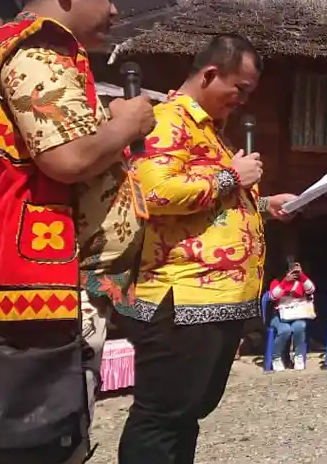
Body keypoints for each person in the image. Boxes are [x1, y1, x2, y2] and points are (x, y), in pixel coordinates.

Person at [0, 0, 154, 464]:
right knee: (37, 438)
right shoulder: (36, 50)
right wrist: (125, 125)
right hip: (37, 286)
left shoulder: (27, 49)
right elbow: (69, 158)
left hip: (46, 285)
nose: (115, 7)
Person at [117, 34, 297, 464]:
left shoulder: (212, 135)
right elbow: (154, 191)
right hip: (181, 296)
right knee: (161, 416)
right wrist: (232, 177)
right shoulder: (166, 119)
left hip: (214, 298)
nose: (242, 101)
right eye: (240, 89)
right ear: (211, 74)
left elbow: (209, 209)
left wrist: (266, 207)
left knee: (186, 415)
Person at [268, 261, 316, 371]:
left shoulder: (301, 282)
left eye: (295, 270)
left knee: (299, 327)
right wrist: (285, 282)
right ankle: (276, 357)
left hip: (298, 314)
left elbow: (311, 289)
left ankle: (298, 356)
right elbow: (273, 296)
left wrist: (302, 276)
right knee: (285, 330)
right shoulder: (277, 282)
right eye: (290, 270)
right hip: (279, 316)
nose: (293, 273)